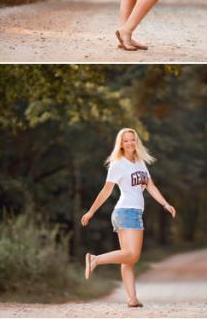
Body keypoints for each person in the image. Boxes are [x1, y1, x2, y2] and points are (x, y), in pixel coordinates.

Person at [81, 128, 176, 307]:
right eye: (126, 140)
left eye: (132, 140)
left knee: (127, 259)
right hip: (127, 211)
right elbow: (106, 190)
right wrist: (91, 211)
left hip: (131, 212)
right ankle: (95, 259)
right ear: (121, 144)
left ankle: (132, 298)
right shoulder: (118, 164)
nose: (130, 143)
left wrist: (165, 204)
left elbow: (151, 186)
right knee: (132, 256)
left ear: (136, 142)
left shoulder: (140, 162)